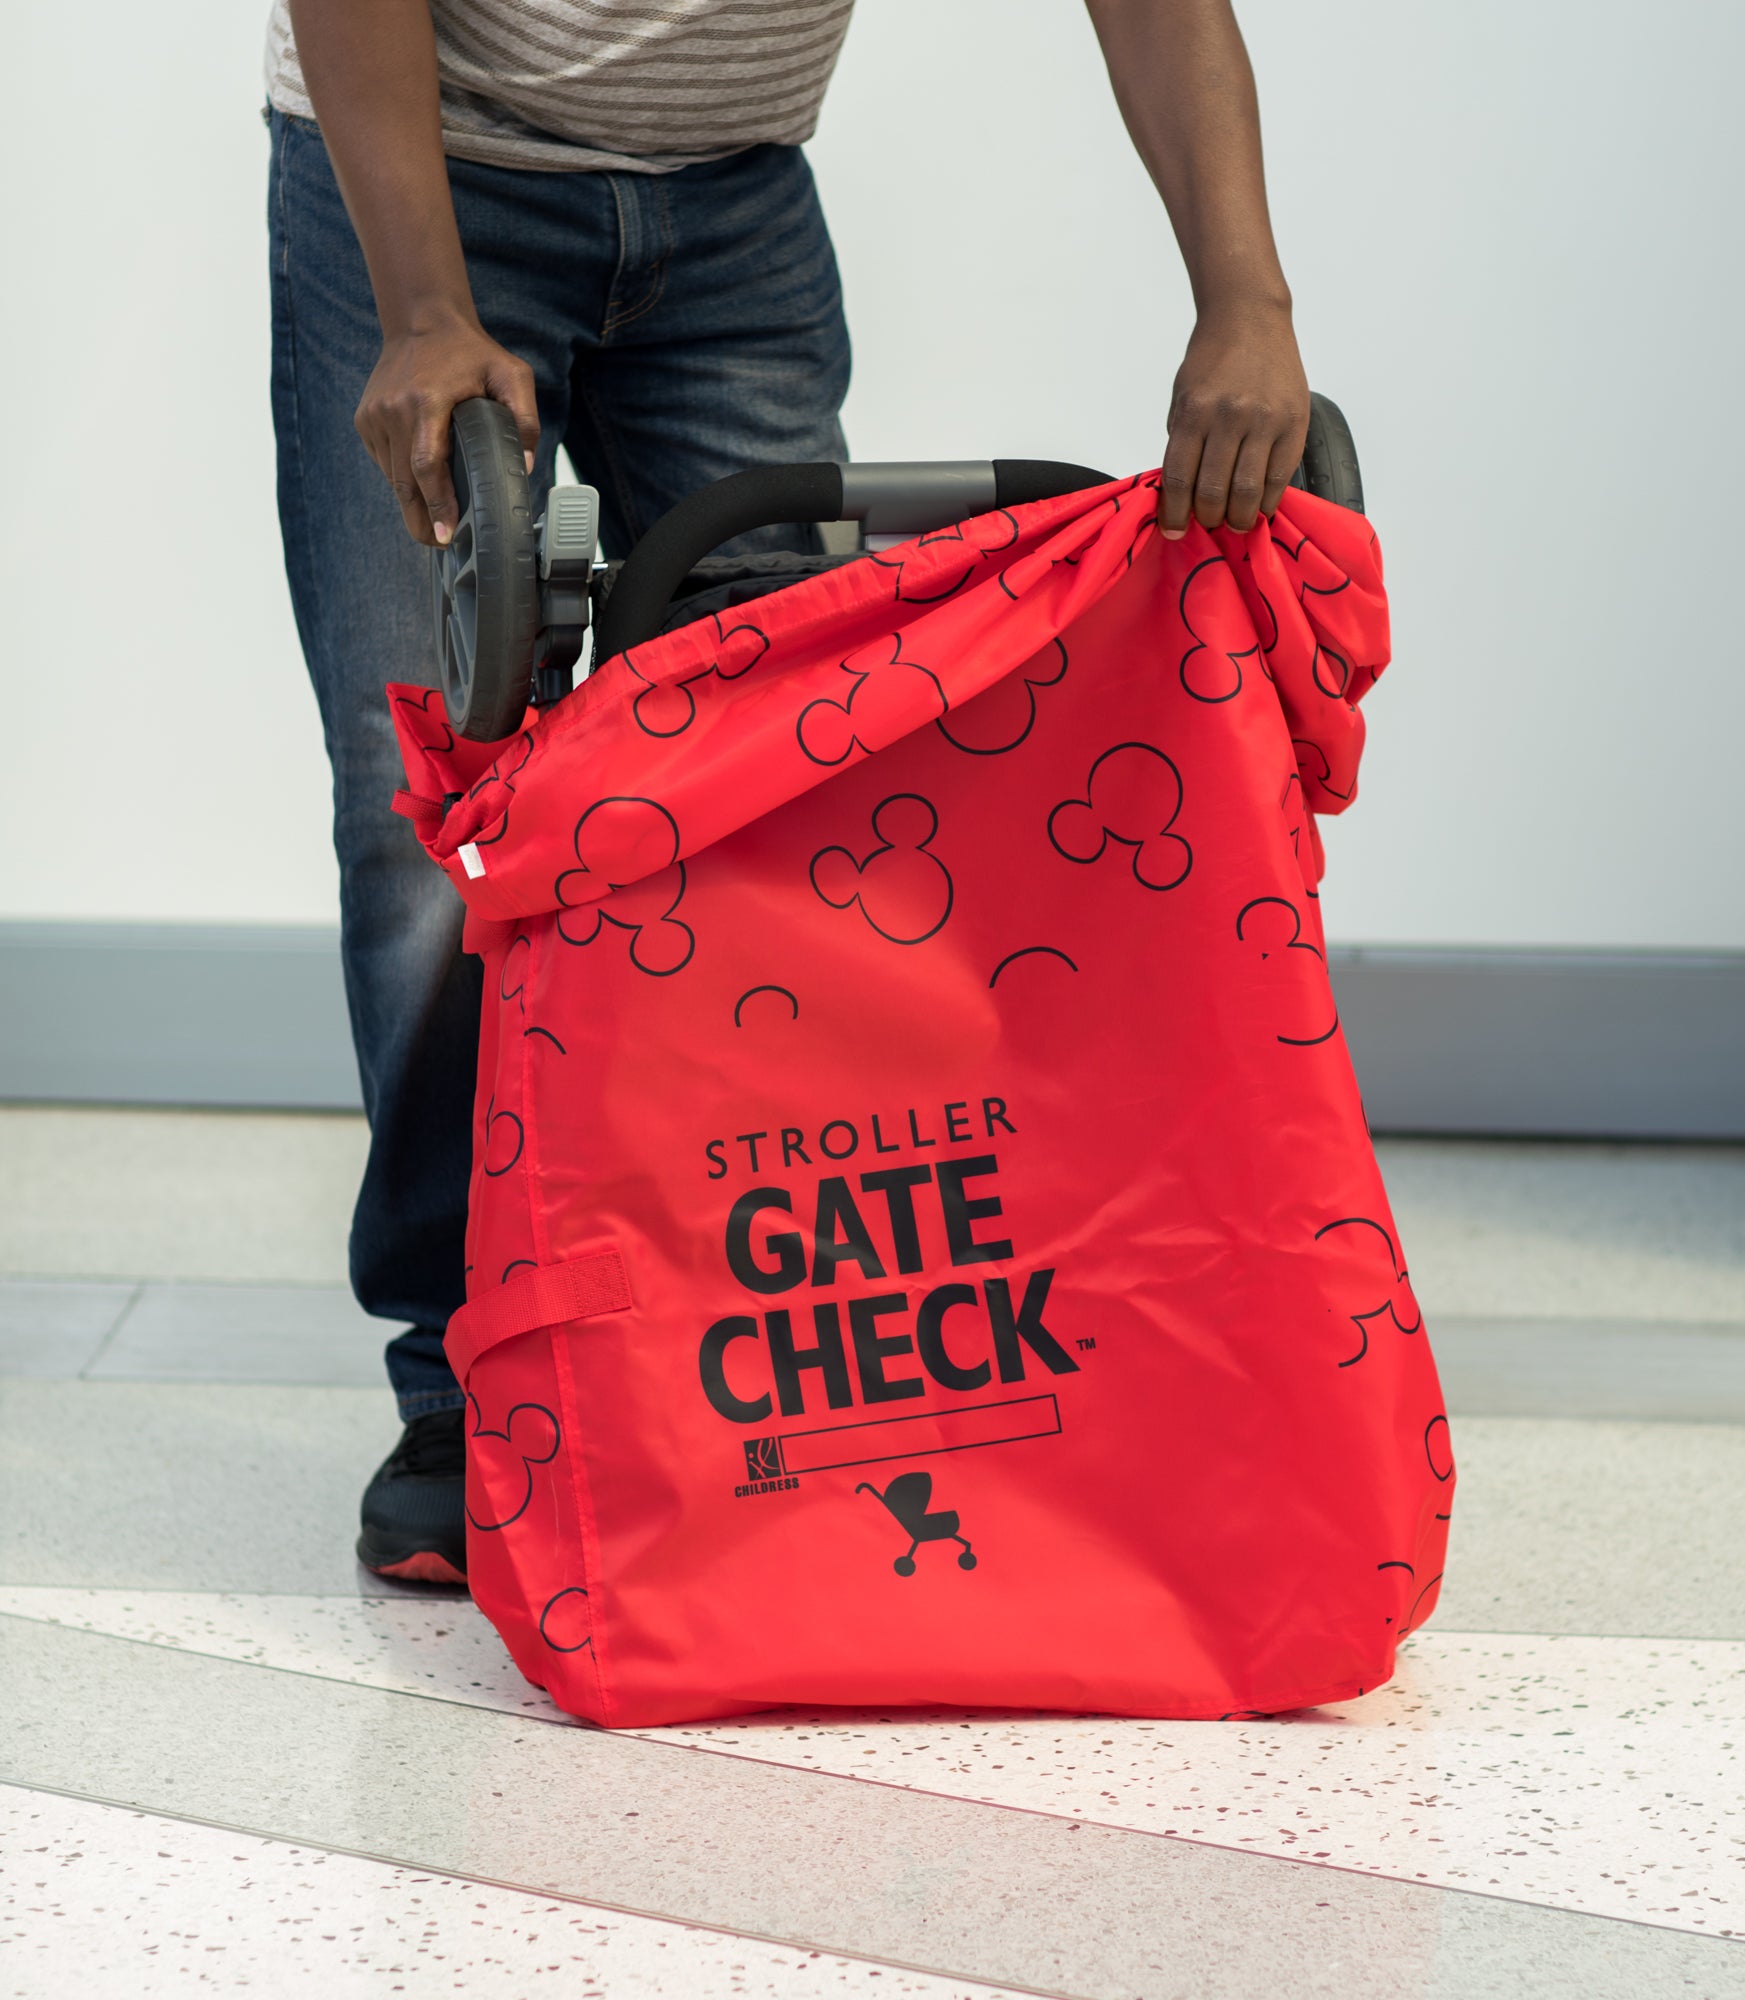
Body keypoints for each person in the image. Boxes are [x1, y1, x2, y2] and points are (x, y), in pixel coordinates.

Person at [269, 0, 1312, 1583]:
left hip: (736, 202)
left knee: (768, 803)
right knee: (429, 815)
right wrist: (425, 308)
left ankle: (721, 1358)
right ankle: (458, 1389)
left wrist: (1246, 299)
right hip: (430, 185)